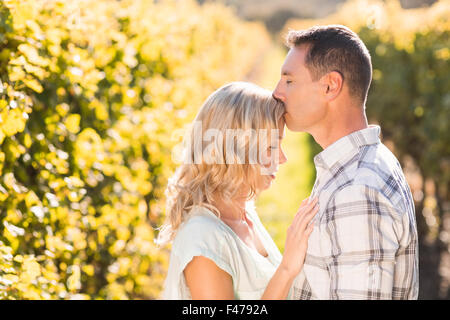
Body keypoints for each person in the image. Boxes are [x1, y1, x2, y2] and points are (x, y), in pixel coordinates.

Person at [272, 24, 419, 300]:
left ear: (330, 86)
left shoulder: (357, 190)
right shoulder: (357, 167)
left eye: (289, 81)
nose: (277, 92)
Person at [157, 81, 318, 299]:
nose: (282, 158)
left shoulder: (244, 213)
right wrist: (287, 269)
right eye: (271, 146)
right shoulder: (203, 238)